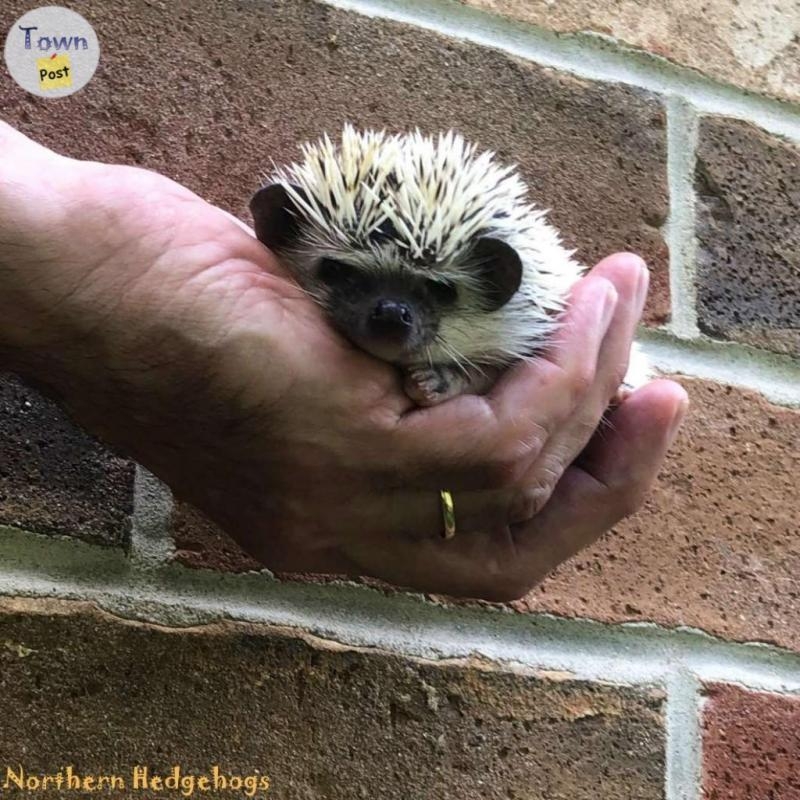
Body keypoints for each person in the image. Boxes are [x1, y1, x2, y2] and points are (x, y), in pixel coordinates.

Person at [0, 121, 687, 600]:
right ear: (282, 233)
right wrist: (102, 282)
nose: (388, 316)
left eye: (434, 294)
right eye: (348, 279)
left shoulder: (513, 325)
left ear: (496, 283)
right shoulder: (257, 271)